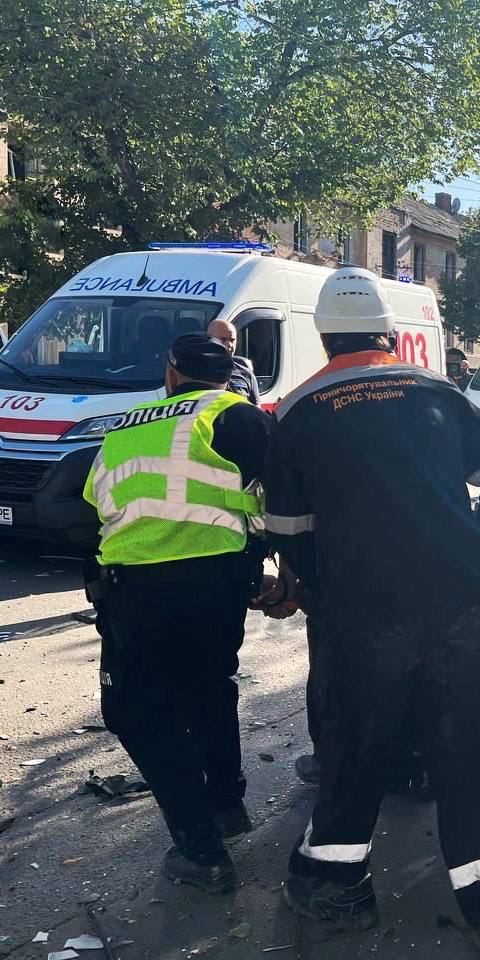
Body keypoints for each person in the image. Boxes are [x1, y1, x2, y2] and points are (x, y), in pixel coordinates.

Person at [261, 267, 480, 955]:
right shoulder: (438, 391)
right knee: (462, 750)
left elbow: (287, 528)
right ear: (388, 333)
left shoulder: (298, 409)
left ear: (325, 338)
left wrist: (314, 586)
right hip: (454, 602)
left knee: (358, 744)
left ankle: (334, 885)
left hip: (362, 612)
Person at [82, 333, 271, 894]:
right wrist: (281, 569)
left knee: (135, 713)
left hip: (139, 589)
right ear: (228, 376)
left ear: (170, 374)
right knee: (208, 685)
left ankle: (201, 850)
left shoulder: (126, 425)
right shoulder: (240, 416)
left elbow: (94, 501)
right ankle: (225, 805)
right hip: (220, 582)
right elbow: (282, 497)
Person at [206, 319, 261, 404]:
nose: (229, 345)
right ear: (209, 340)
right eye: (223, 339)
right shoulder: (197, 373)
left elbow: (256, 410)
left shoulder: (246, 374)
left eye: (232, 340)